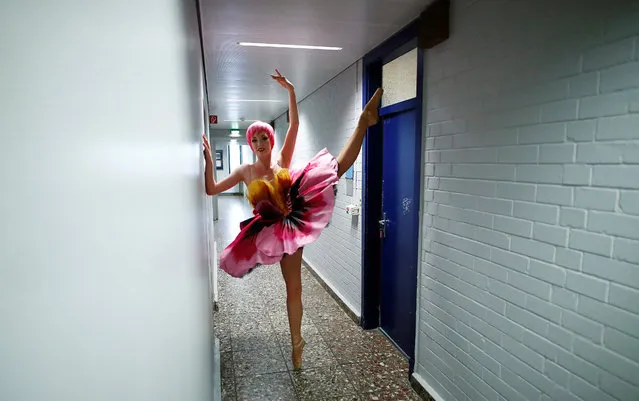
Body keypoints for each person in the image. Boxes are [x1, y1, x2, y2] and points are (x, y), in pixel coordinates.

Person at [202, 69, 383, 369]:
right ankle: (297, 341)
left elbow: (295, 124)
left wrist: (291, 90)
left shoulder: (281, 160)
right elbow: (211, 189)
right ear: (250, 144)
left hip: (292, 221)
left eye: (264, 137)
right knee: (287, 284)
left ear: (271, 140)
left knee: (332, 171)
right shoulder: (244, 171)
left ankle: (364, 121)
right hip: (267, 229)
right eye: (255, 139)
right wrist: (210, 162)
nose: (260, 143)